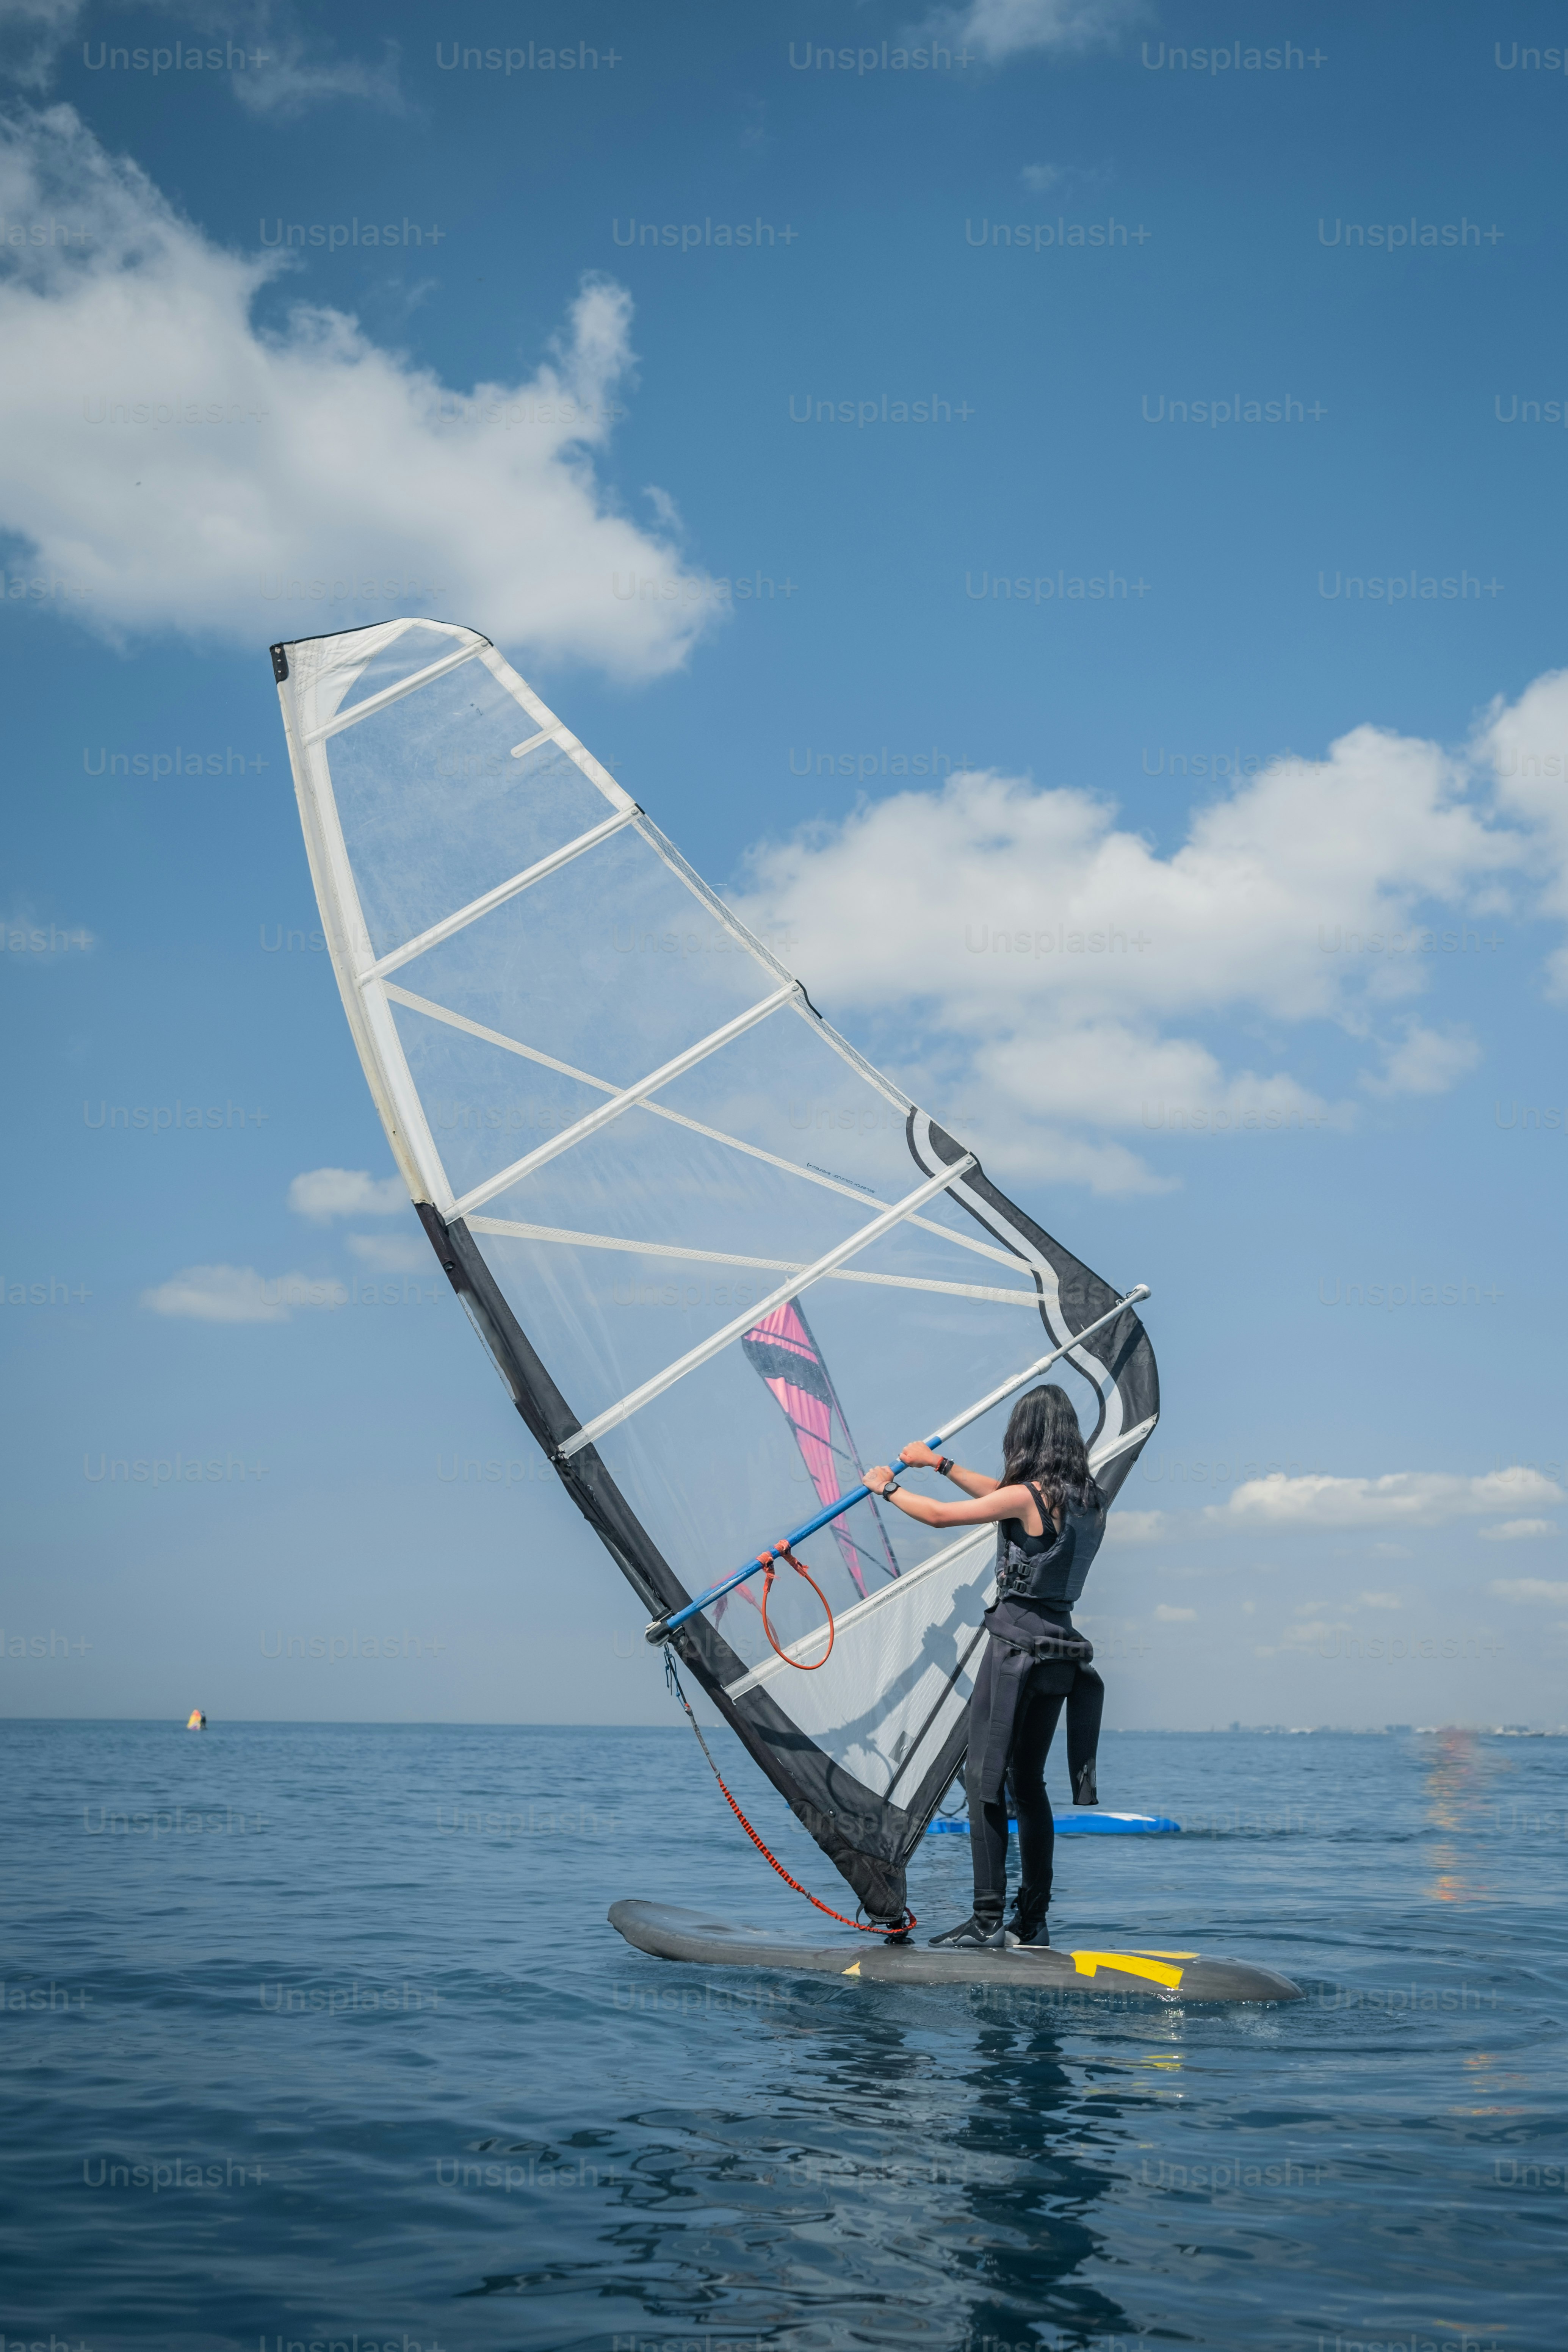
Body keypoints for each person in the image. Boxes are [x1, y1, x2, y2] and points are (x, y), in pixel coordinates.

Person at [864, 1383, 1107, 1949]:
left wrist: (888, 1487)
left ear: (1024, 1436)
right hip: (1060, 1653)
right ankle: (1033, 1918)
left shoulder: (1030, 1494)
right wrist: (941, 1462)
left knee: (983, 1782)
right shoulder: (1089, 1499)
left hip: (1014, 1650)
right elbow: (1001, 1495)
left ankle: (985, 1920)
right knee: (1029, 1785)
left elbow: (942, 1517)